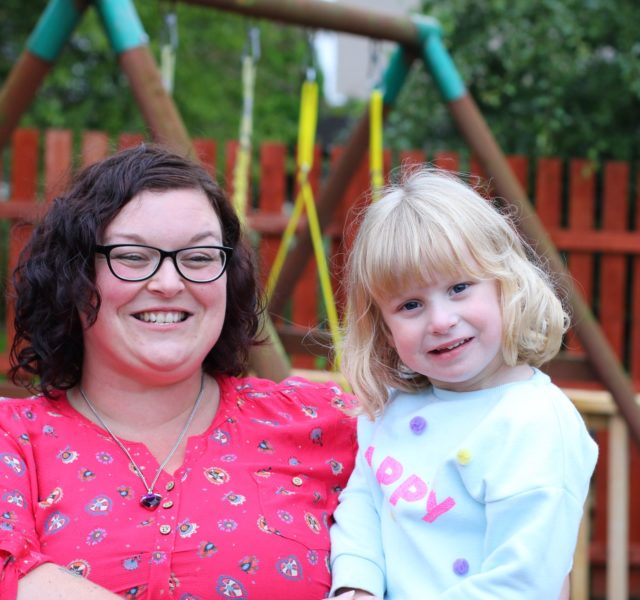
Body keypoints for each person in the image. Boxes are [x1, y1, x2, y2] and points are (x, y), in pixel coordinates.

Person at [0, 144, 356, 599]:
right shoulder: (14, 440)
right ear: (74, 277)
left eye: (200, 257)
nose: (169, 284)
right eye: (131, 256)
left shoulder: (322, 424)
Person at [329, 168, 598, 599]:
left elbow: (523, 583)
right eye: (410, 304)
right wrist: (355, 586)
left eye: (459, 288)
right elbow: (364, 509)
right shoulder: (393, 408)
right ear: (382, 325)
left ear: (505, 284)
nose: (440, 321)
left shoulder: (536, 423)